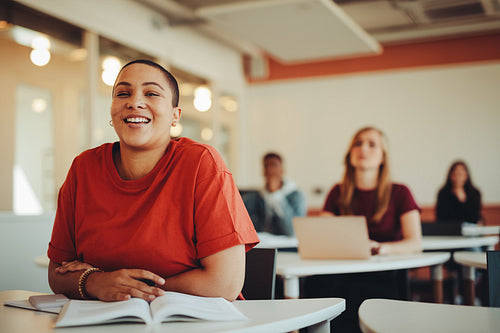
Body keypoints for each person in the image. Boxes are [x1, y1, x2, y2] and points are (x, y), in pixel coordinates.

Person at [47, 59, 259, 303]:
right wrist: (96, 282)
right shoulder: (83, 169)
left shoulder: (201, 163)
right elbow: (57, 274)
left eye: (151, 93)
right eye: (123, 93)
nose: (134, 102)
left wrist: (127, 288)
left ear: (174, 115)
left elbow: (225, 283)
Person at [306, 126, 422, 333]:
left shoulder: (400, 192)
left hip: (382, 275)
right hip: (342, 273)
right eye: (357, 143)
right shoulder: (337, 192)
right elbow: (322, 236)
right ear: (349, 153)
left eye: (372, 144)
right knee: (315, 286)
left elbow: (415, 242)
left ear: (383, 157)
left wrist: (380, 248)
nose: (363, 149)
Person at [242, 152, 306, 236]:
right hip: (262, 244)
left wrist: (276, 195)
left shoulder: (297, 196)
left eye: (274, 165)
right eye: (266, 166)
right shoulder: (254, 197)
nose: (270, 169)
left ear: (282, 170)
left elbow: (292, 232)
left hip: (287, 246)